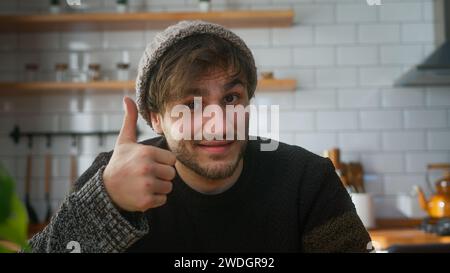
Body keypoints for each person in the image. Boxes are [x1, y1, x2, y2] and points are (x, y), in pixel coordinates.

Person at [28, 20, 371, 253]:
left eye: (231, 98)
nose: (218, 124)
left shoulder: (308, 180)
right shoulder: (112, 178)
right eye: (191, 105)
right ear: (156, 118)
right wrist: (107, 205)